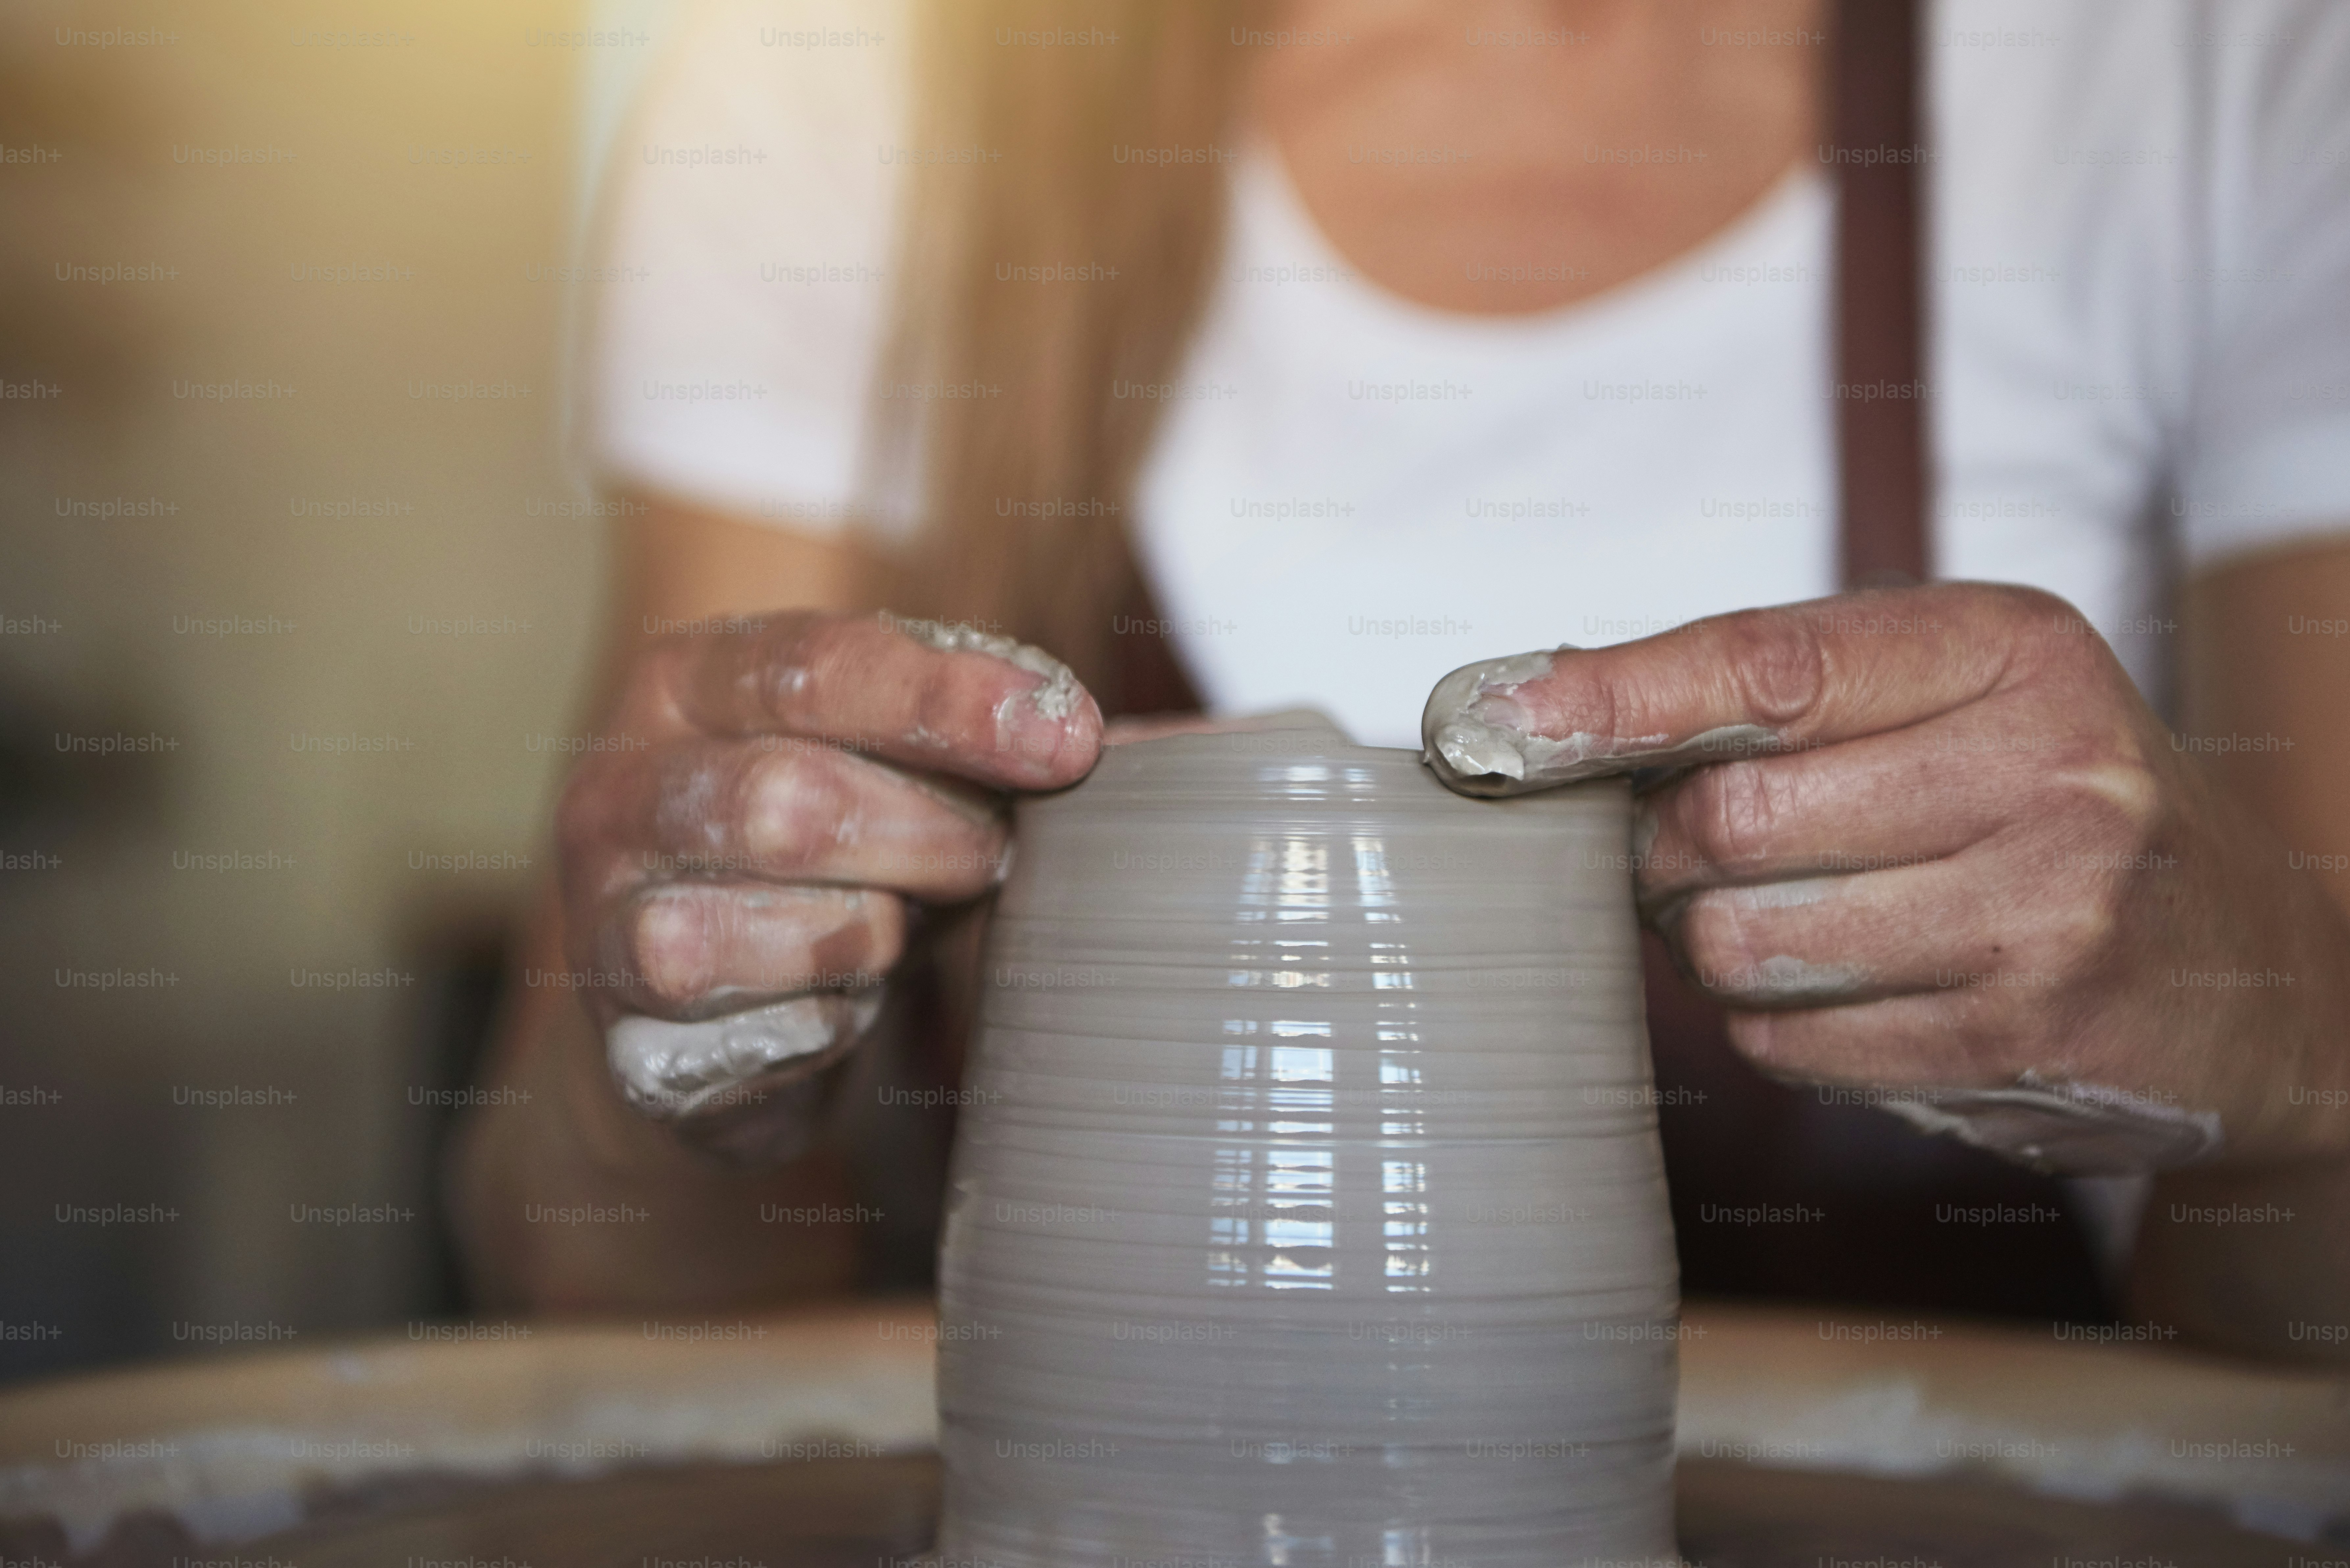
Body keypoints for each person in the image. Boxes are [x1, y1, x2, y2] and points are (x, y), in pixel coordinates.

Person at [450, 0, 2350, 1360]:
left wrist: (2283, 1039)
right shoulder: (840, 86)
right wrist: (671, 1068)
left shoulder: (2197, 65)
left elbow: (2291, 1354)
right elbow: (586, 1261)